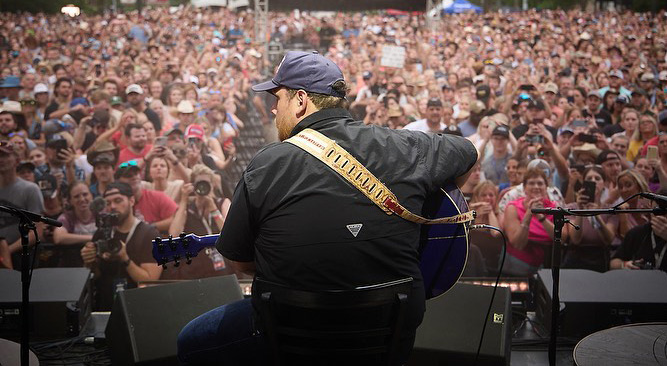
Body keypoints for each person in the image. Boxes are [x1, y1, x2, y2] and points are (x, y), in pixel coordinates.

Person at [176, 51, 478, 365]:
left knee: (190, 341)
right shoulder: (403, 146)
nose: (273, 107)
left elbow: (239, 262)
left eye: (278, 97)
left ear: (301, 100)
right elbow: (468, 152)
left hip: (288, 340)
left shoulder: (265, 165)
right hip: (387, 337)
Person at [80, 182, 162, 310]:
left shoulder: (149, 234)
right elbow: (96, 275)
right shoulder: (103, 232)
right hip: (105, 305)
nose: (112, 206)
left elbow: (150, 280)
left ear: (132, 200)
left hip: (137, 307)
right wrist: (89, 261)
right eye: (108, 203)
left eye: (118, 201)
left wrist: (125, 259)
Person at [163, 164, 232, 281]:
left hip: (221, 266)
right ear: (193, 185)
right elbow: (174, 235)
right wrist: (184, 200)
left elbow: (229, 234)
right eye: (199, 183)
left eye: (206, 183)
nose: (203, 186)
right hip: (194, 268)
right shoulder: (187, 208)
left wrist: (214, 209)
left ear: (212, 185)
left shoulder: (223, 203)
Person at [502, 167, 558, 276]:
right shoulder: (513, 208)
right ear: (524, 188)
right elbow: (517, 243)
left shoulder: (553, 208)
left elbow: (562, 237)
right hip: (517, 263)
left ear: (546, 187)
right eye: (531, 183)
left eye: (540, 183)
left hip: (547, 265)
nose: (536, 187)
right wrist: (529, 214)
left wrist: (541, 217)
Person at [0, 141, 43, 269]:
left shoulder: (30, 189)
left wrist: (7, 250)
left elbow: (37, 232)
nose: (1, 160)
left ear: (17, 160)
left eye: (5, 156)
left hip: (23, 255)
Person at [114, 161, 178, 232]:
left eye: (136, 174)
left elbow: (177, 218)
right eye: (128, 176)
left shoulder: (157, 196)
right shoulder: (115, 202)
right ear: (118, 181)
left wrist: (150, 227)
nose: (134, 177)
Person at [52, 181, 97, 267]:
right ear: (70, 201)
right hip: (73, 265)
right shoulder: (66, 217)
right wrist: (93, 238)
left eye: (85, 194)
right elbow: (59, 237)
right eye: (76, 197)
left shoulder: (100, 214)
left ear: (91, 196)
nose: (82, 199)